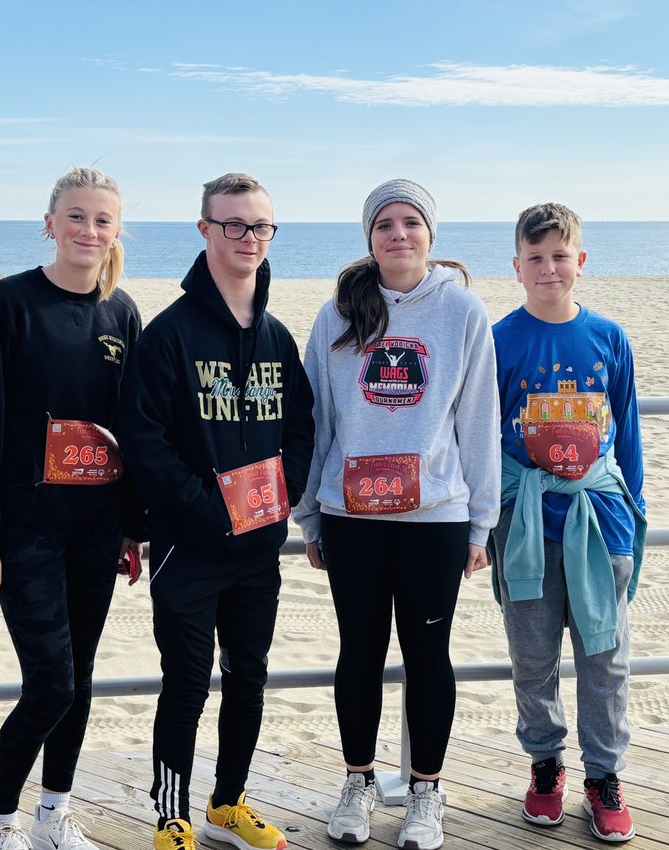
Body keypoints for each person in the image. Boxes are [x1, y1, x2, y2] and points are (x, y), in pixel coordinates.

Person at [292, 179, 500, 850]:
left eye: (411, 222)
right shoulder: (336, 315)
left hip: (435, 519)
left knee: (428, 655)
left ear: (430, 235)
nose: (399, 234)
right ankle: (356, 784)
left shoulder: (464, 312)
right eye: (385, 224)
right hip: (350, 517)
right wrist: (309, 514)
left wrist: (481, 523)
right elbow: (317, 418)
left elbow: (478, 422)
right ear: (369, 237)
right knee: (358, 651)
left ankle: (426, 794)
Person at [0, 167, 145, 850]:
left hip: (99, 531)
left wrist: (133, 529)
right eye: (76, 216)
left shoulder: (122, 314)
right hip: (24, 531)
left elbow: (134, 429)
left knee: (81, 681)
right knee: (51, 685)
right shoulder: (7, 304)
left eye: (102, 220)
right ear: (50, 223)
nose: (89, 230)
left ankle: (53, 817)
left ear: (117, 231)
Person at [118, 173, 315, 850]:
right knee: (186, 684)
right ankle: (171, 816)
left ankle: (227, 804)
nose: (249, 239)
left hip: (259, 548)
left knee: (248, 678)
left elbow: (301, 426)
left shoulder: (278, 338)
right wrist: (205, 509)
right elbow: (145, 440)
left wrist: (280, 490)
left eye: (260, 226)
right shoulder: (169, 336)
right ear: (205, 230)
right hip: (188, 548)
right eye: (233, 225)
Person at [489, 202, 647, 843]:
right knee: (533, 659)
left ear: (580, 261)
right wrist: (486, 520)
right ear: (518, 267)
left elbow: (628, 433)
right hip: (525, 523)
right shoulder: (499, 339)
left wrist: (633, 514)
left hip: (599, 520)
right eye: (535, 258)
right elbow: (480, 436)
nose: (548, 268)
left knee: (605, 658)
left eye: (560, 256)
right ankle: (546, 765)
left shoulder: (609, 336)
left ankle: (604, 776)